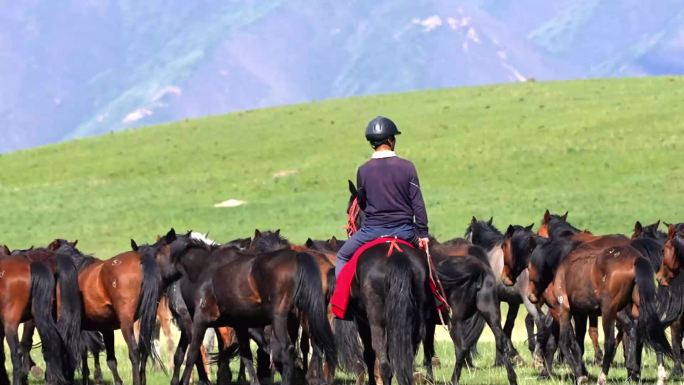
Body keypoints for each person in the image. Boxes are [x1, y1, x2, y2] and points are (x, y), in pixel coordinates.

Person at [335, 116, 429, 277]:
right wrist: (423, 234)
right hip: (405, 232)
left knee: (342, 256)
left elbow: (362, 204)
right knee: (429, 262)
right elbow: (418, 204)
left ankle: (340, 301)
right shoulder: (408, 167)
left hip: (371, 231)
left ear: (372, 143)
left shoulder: (363, 170)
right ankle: (437, 300)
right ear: (391, 140)